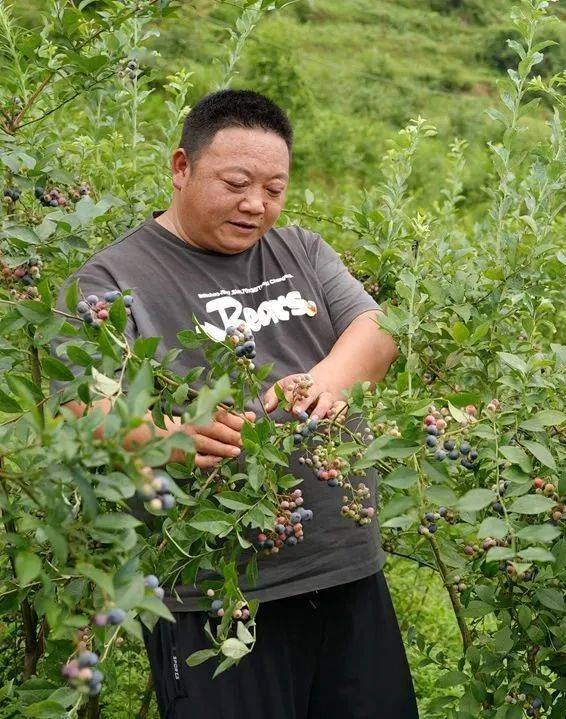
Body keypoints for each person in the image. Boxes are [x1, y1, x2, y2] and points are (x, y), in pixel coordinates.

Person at [54, 89, 418, 718]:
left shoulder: (299, 249)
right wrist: (167, 434)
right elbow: (82, 410)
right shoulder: (109, 282)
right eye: (237, 183)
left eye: (274, 189)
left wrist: (326, 378)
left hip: (345, 565)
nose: (257, 204)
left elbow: (377, 330)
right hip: (215, 594)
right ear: (181, 167)